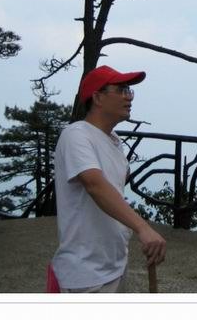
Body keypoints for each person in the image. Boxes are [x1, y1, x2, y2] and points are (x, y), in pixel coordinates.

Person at [51, 65, 166, 293]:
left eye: (129, 91)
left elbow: (113, 189)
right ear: (97, 98)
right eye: (121, 90)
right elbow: (95, 185)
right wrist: (142, 228)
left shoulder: (113, 140)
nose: (129, 97)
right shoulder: (76, 134)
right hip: (85, 273)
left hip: (114, 263)